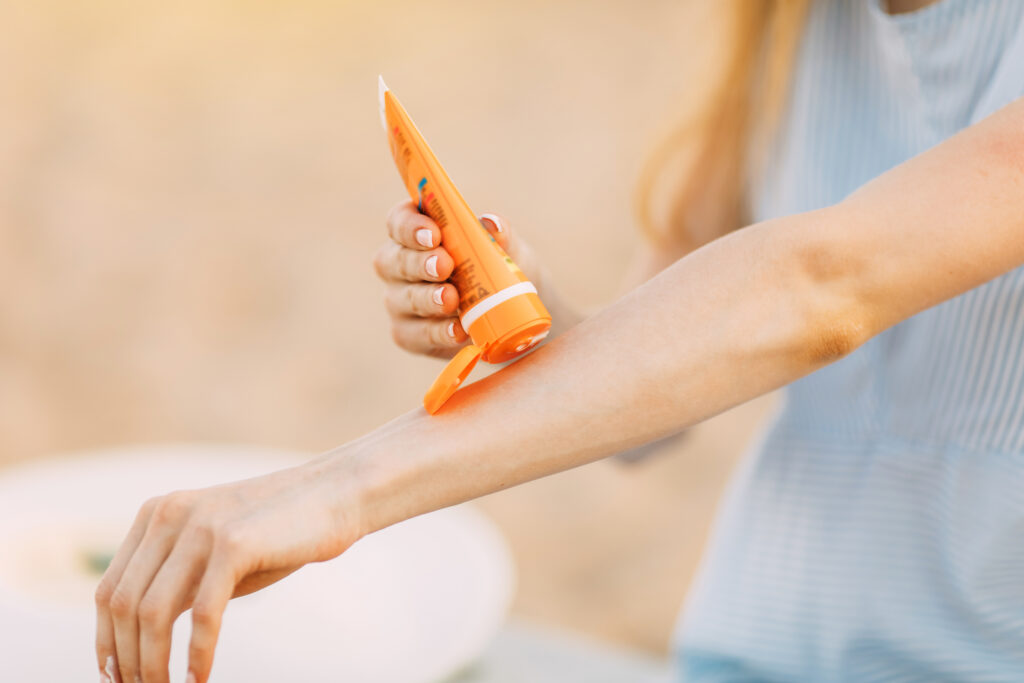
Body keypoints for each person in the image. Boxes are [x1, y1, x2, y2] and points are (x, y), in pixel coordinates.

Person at [95, 0, 1024, 681]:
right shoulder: (784, 24)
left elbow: (817, 287)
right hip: (747, 653)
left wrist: (336, 487)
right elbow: (653, 408)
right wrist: (525, 316)